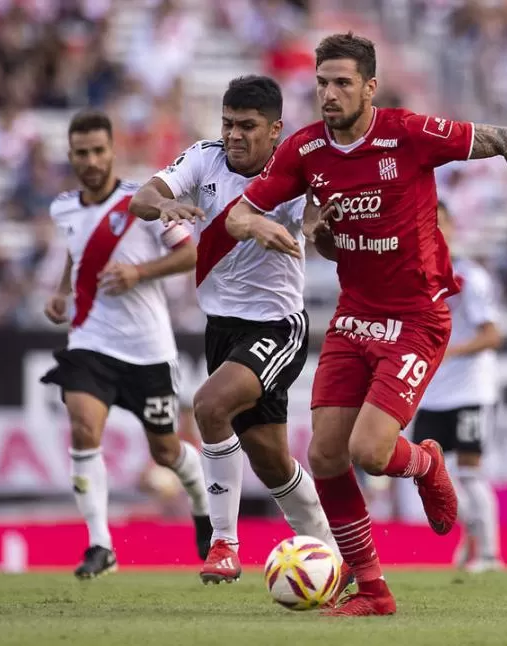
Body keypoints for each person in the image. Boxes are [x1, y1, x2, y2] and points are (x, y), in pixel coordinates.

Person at [225, 33, 507, 616]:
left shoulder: (409, 133)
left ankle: (426, 462)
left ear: (369, 87)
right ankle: (374, 590)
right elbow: (242, 212)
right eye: (321, 83)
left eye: (341, 83)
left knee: (368, 449)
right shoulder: (306, 151)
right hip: (354, 316)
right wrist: (304, 232)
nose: (329, 94)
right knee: (327, 455)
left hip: (417, 319)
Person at [129, 76, 346, 588]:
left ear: (275, 131)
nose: (234, 135)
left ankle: (223, 543)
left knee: (208, 406)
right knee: (271, 461)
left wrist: (321, 229)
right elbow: (142, 197)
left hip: (278, 327)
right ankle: (339, 559)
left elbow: (320, 232)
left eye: (247, 126)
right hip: (222, 329)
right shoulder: (203, 159)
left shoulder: (292, 175)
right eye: (228, 124)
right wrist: (164, 206)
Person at [40, 109, 211, 580]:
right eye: (81, 153)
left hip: (148, 349)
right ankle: (100, 543)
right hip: (90, 341)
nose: (91, 160)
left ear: (112, 151)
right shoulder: (64, 207)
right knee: (82, 427)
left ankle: (201, 500)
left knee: (165, 451)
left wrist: (139, 272)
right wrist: (61, 291)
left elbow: (191, 254)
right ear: (71, 156)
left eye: (98, 150)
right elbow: (77, 253)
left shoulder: (145, 200)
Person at [414, 202, 503, 573]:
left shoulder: (470, 278)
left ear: (451, 228)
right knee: (423, 472)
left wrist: (449, 352)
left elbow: (493, 335)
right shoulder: (413, 275)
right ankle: (472, 532)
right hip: (431, 392)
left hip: (470, 391)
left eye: (440, 223)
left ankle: (490, 554)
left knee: (469, 471)